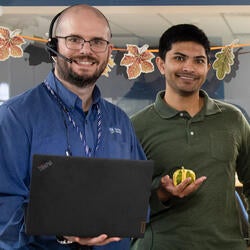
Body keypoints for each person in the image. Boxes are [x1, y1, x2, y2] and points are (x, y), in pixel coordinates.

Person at [0, 4, 146, 250]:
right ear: (53, 46)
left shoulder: (119, 121)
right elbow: (5, 210)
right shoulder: (15, 117)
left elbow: (137, 197)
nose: (86, 50)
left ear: (109, 51)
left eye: (97, 42)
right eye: (74, 39)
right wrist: (61, 231)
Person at [130, 24, 250, 250]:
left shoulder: (232, 119)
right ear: (161, 64)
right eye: (179, 58)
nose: (189, 67)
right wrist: (163, 194)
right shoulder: (137, 126)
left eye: (199, 61)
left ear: (207, 67)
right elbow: (123, 203)